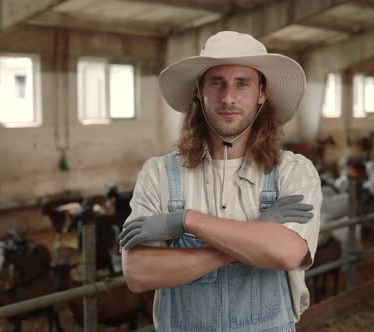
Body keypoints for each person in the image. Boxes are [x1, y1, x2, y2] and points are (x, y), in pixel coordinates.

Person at [119, 31, 322, 332]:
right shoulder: (159, 173)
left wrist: (186, 221)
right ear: (199, 91)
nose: (228, 97)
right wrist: (256, 232)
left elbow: (287, 252)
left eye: (242, 84)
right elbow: (138, 273)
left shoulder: (294, 171)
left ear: (261, 93)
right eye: (217, 83)